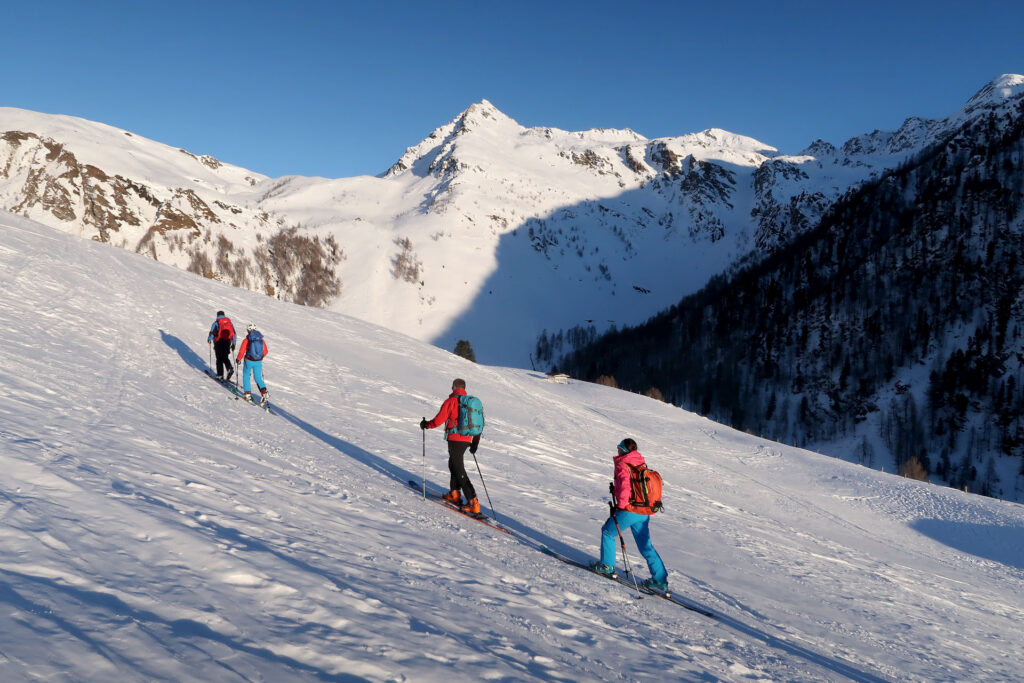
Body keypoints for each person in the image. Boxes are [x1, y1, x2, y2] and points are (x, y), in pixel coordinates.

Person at [590, 438, 669, 592]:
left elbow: (626, 487)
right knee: (646, 546)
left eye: (619, 448)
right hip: (643, 512)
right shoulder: (640, 463)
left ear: (624, 450)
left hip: (630, 510)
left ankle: (607, 566)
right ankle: (660, 580)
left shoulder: (623, 464)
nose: (617, 450)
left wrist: (620, 506)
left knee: (607, 532)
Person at [419, 378, 482, 514]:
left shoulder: (452, 401)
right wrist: (475, 442)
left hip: (454, 439)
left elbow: (439, 420)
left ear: (454, 387)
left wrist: (426, 425)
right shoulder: (471, 403)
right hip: (467, 439)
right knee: (453, 464)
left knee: (459, 469)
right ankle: (455, 494)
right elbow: (479, 423)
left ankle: (473, 502)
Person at [235, 323, 269, 405]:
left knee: (246, 376)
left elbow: (242, 351)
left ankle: (247, 394)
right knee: (258, 377)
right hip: (258, 362)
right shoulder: (261, 339)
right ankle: (264, 392)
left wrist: (238, 359)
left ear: (248, 330)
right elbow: (266, 351)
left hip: (248, 360)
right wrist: (260, 357)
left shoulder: (247, 339)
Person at [206, 310, 236, 380]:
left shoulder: (216, 322)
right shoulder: (229, 323)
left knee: (219, 358)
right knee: (225, 357)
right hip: (227, 341)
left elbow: (212, 333)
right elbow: (234, 334)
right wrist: (233, 343)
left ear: (217, 316)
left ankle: (220, 375)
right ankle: (229, 368)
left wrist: (209, 339)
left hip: (219, 342)